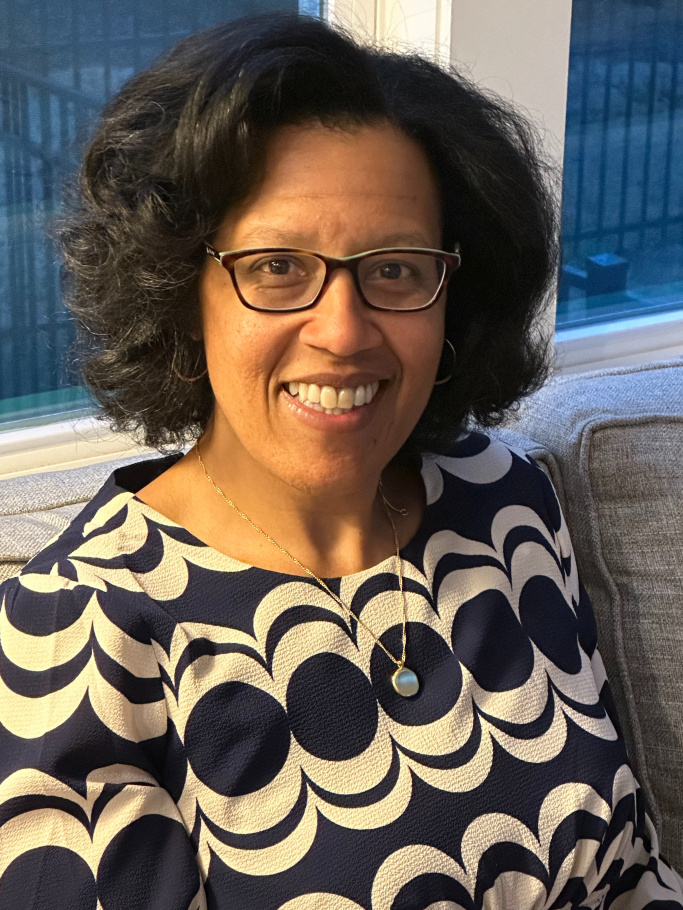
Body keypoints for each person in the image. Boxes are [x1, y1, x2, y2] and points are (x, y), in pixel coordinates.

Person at [0, 13, 680, 910]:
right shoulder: (77, 630)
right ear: (178, 295)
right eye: (278, 266)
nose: (344, 330)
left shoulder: (506, 499)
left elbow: (628, 872)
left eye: (394, 269)